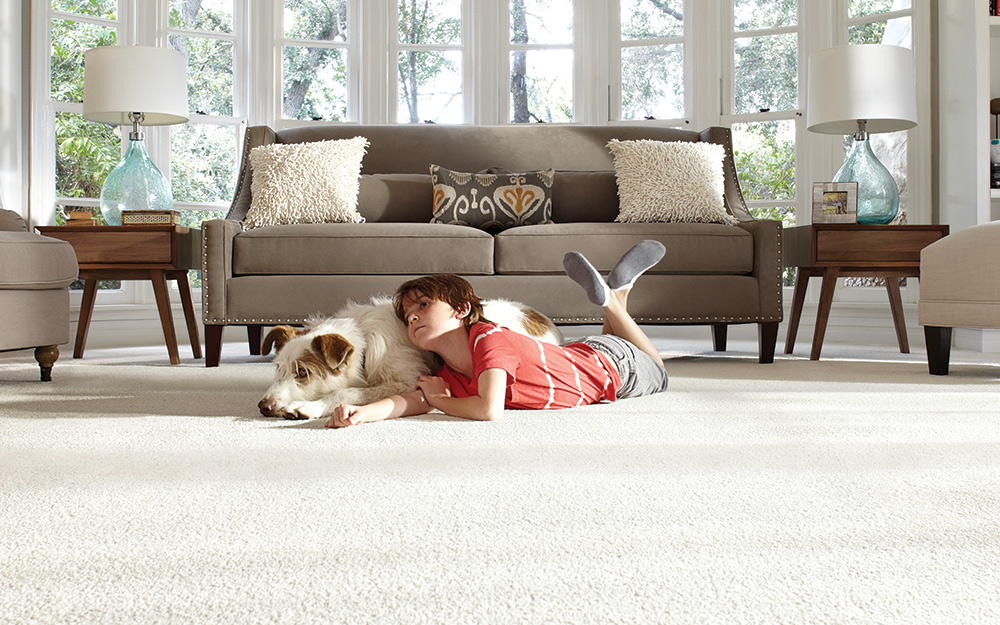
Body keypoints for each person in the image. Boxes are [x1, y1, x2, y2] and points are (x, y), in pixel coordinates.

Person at [325, 241, 670, 428]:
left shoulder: (488, 339)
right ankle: (618, 294)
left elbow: (489, 410)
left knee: (660, 371)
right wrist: (361, 414)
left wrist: (442, 401)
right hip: (588, 354)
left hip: (617, 369)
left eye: (424, 305)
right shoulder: (447, 373)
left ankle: (613, 301)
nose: (413, 317)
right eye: (408, 316)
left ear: (462, 309)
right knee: (617, 343)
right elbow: (413, 401)